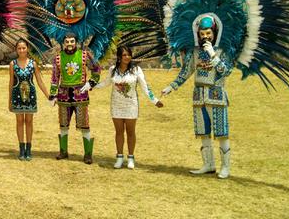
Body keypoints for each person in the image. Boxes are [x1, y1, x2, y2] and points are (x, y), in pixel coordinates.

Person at [162, 15, 232, 178]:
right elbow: (186, 72)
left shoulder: (222, 51)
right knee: (203, 132)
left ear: (214, 32)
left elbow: (226, 71)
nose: (205, 37)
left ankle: (225, 167)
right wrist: (171, 86)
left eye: (208, 33)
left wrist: (213, 54)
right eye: (202, 34)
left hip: (217, 94)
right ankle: (208, 164)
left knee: (221, 132)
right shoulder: (194, 52)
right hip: (199, 95)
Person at [96, 45, 163, 169]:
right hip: (116, 105)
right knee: (119, 132)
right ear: (119, 57)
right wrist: (90, 86)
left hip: (131, 105)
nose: (127, 57)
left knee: (131, 132)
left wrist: (155, 100)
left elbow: (145, 87)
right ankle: (119, 157)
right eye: (124, 55)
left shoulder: (136, 70)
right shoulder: (113, 70)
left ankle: (131, 157)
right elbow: (105, 83)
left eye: (128, 55)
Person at [49, 32, 102, 164]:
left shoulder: (85, 55)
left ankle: (88, 154)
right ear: (63, 43)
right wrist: (53, 95)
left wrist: (91, 83)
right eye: (67, 41)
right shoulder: (58, 58)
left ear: (76, 42)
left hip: (81, 95)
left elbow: (96, 69)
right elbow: (55, 77)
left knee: (84, 125)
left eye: (72, 41)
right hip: (63, 96)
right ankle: (63, 151)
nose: (70, 44)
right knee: (63, 125)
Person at [8, 39, 49, 160]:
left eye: (24, 48)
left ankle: (29, 148)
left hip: (30, 96)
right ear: (16, 50)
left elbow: (39, 81)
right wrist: (9, 100)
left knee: (29, 122)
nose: (21, 50)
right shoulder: (12, 64)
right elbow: (11, 83)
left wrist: (48, 96)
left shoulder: (33, 64)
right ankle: (21, 149)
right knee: (19, 121)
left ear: (28, 49)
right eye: (19, 48)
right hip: (17, 95)